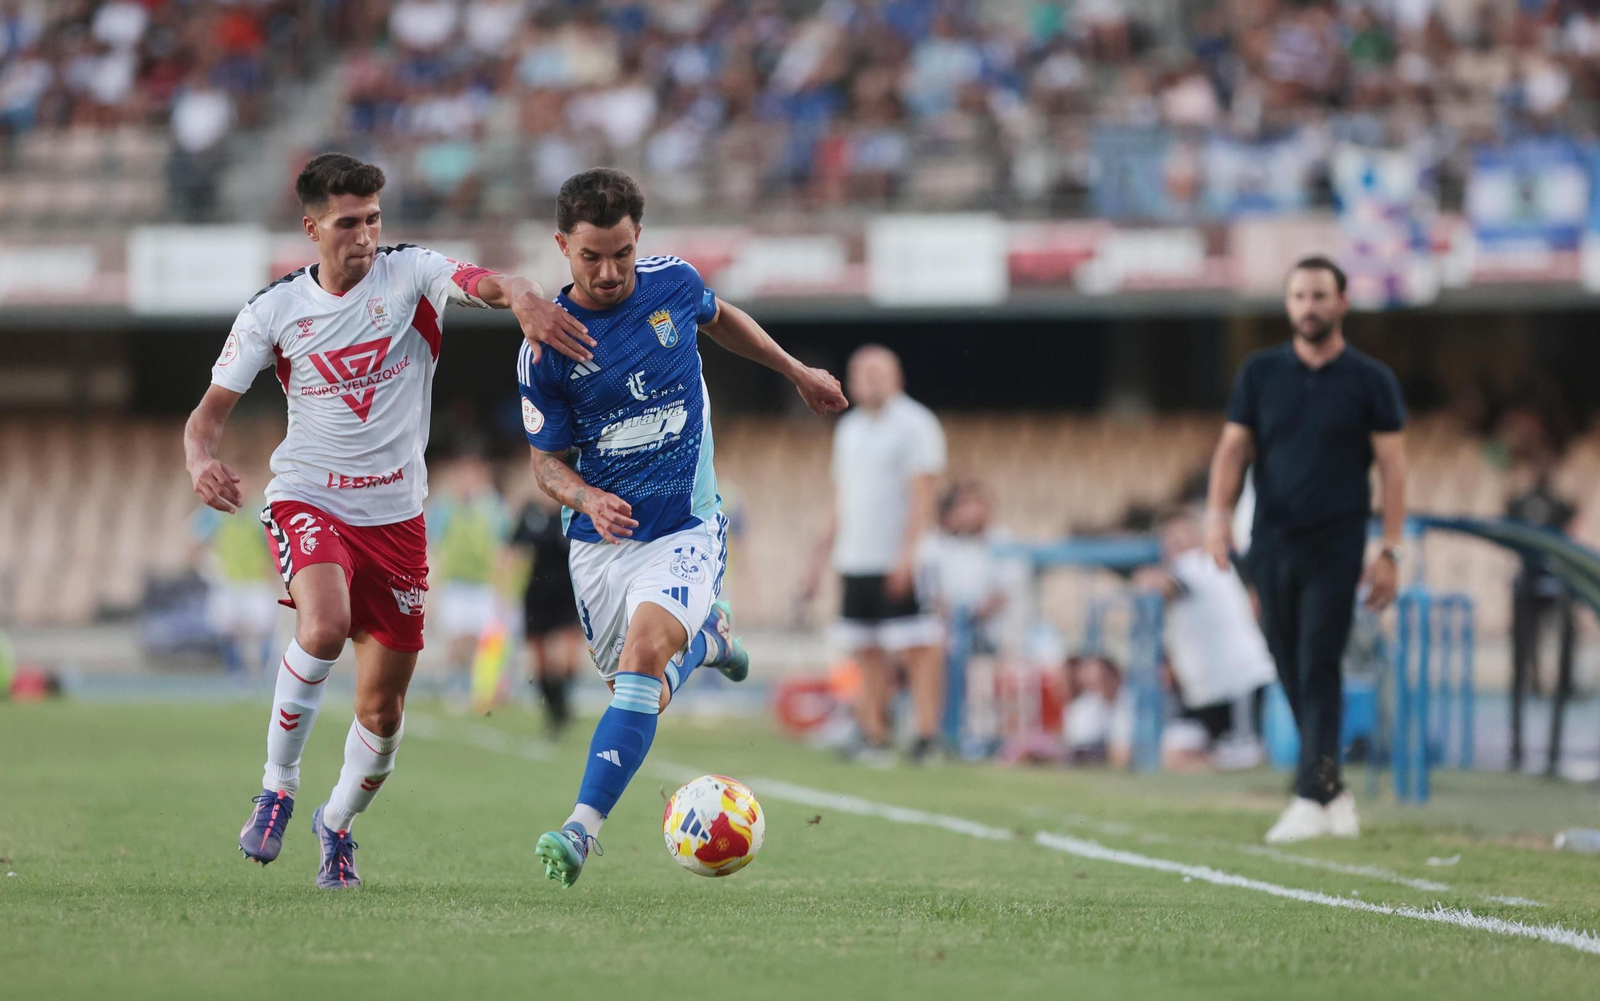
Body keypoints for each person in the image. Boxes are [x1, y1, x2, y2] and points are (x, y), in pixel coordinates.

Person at [184, 152, 589, 889]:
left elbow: (485, 282)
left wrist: (525, 293)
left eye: (374, 218)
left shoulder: (410, 273)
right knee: (324, 624)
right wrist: (197, 461)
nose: (366, 235)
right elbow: (204, 420)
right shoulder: (272, 312)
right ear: (312, 228)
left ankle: (335, 825)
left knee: (384, 711)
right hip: (308, 494)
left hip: (397, 516)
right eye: (349, 222)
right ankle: (277, 787)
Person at [516, 168, 847, 888]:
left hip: (685, 527)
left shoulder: (672, 284)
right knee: (639, 691)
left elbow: (719, 316)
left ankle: (580, 829)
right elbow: (544, 465)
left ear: (640, 240)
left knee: (638, 664)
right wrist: (585, 498)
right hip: (601, 546)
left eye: (623, 254)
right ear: (561, 246)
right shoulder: (546, 347)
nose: (608, 273)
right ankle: (708, 640)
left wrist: (793, 370)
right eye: (591, 257)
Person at [1203, 255, 1407, 845]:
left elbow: (1393, 470)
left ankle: (1308, 794)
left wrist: (1390, 550)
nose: (1308, 307)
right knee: (1288, 664)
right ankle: (1332, 786)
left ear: (1342, 302)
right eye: (1298, 296)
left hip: (1336, 542)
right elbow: (1231, 452)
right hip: (1269, 543)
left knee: (1318, 659)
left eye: (1319, 295)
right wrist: (1217, 519)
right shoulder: (1260, 373)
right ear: (1288, 305)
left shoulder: (1372, 381)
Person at [804, 345, 947, 763]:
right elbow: (840, 497)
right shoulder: (848, 429)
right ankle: (874, 732)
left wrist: (909, 554)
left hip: (899, 556)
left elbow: (924, 495)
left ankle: (926, 735)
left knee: (917, 647)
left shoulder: (915, 424)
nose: (867, 379)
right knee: (865, 648)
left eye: (876, 371)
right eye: (860, 372)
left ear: (896, 376)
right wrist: (821, 556)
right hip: (856, 556)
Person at [1135, 510, 1276, 771]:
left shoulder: (1200, 562)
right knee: (1175, 754)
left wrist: (1145, 579)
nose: (1173, 545)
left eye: (1180, 538)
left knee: (1244, 760)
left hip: (1237, 687)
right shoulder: (1201, 567)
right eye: (1169, 539)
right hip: (1202, 694)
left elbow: (1165, 586)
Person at [426, 453, 512, 684]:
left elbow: (500, 547)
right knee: (456, 638)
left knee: (482, 640)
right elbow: (435, 546)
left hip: (482, 582)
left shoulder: (492, 507)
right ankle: (455, 683)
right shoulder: (444, 507)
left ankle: (481, 686)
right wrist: (432, 585)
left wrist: (502, 587)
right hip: (454, 581)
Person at [511, 488, 583, 733]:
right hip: (537, 594)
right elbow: (514, 549)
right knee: (539, 660)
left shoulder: (573, 512)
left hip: (567, 593)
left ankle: (563, 705)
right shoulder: (530, 514)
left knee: (567, 657)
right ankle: (553, 712)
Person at [189, 494, 279, 676]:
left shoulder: (259, 514)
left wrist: (271, 569)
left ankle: (264, 672)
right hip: (227, 582)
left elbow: (273, 544)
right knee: (226, 629)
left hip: (256, 581)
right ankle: (236, 672)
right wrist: (206, 564)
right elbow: (194, 541)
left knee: (265, 628)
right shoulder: (214, 515)